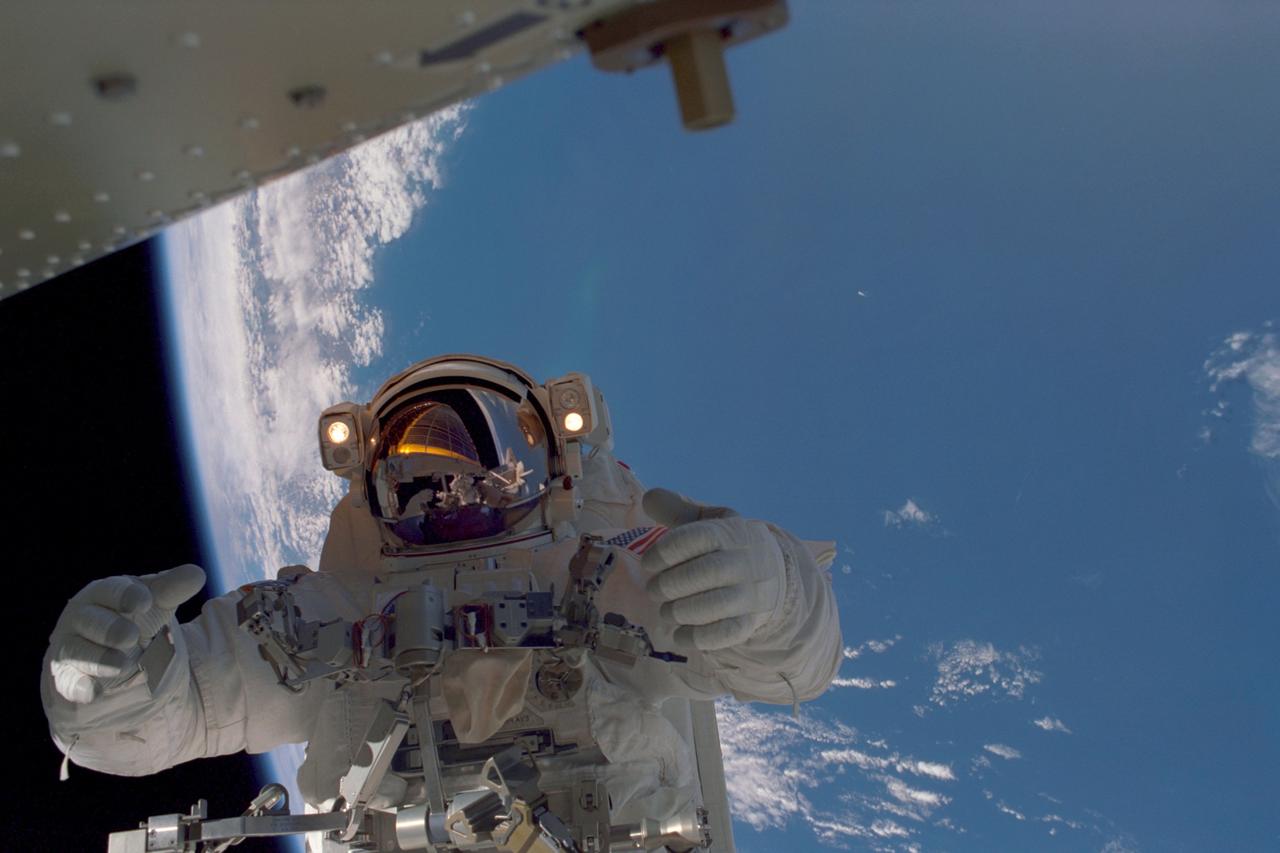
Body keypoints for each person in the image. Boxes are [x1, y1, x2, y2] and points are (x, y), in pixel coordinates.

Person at [42, 354, 842, 852]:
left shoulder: (595, 574)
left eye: (463, 473)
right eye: (420, 477)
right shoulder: (329, 610)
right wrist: (113, 691)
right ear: (378, 492)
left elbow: (784, 666)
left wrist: (780, 594)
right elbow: (189, 704)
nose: (445, 494)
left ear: (525, 473)